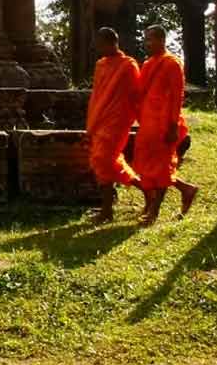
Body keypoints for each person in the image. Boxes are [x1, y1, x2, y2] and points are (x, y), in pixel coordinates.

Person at [132, 25, 198, 225]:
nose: (147, 43)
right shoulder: (148, 63)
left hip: (164, 123)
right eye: (146, 39)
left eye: (151, 39)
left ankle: (154, 212)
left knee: (161, 167)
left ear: (162, 40)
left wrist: (172, 126)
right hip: (148, 123)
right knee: (146, 166)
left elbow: (177, 96)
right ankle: (186, 189)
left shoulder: (172, 63)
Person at [85, 27, 142, 224]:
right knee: (106, 162)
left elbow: (136, 95)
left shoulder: (128, 65)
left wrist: (142, 119)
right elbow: (97, 95)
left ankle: (107, 211)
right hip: (100, 118)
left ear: (112, 43)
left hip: (118, 120)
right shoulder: (101, 64)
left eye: (99, 44)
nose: (96, 47)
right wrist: (91, 121)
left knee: (103, 159)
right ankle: (146, 190)